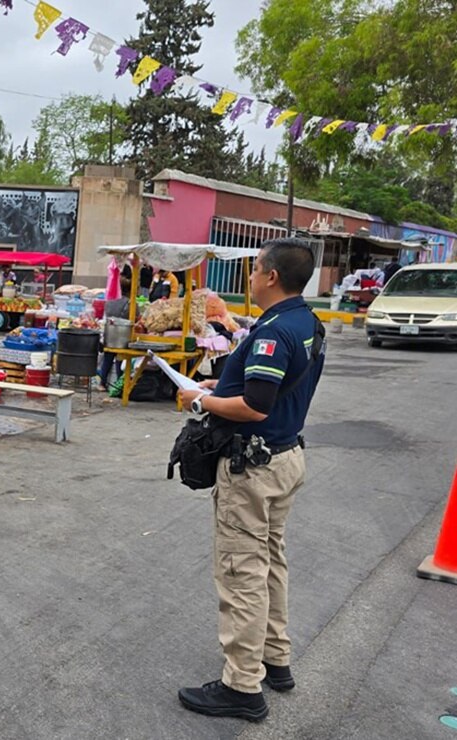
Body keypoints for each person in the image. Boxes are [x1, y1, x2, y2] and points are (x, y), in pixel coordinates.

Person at [175, 239, 326, 723]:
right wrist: (219, 387)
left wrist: (200, 402)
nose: (250, 276)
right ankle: (274, 659)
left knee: (242, 572)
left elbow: (254, 406)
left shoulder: (272, 332)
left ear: (272, 277)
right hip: (285, 458)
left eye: (255, 268)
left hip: (253, 468)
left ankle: (242, 686)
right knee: (271, 560)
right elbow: (268, 390)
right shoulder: (307, 322)